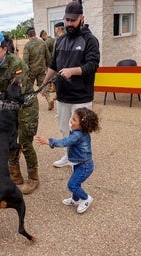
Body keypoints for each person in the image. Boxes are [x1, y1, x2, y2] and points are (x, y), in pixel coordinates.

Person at [41, 1, 100, 168]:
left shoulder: (90, 40)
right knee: (64, 128)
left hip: (81, 96)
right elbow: (53, 64)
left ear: (82, 18)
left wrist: (71, 71)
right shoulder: (60, 40)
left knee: (80, 131)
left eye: (73, 20)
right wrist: (44, 83)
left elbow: (92, 66)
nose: (69, 24)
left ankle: (80, 160)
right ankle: (68, 155)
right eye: (67, 20)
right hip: (63, 95)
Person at [0, 32, 40, 194]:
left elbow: (16, 95)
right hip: (10, 110)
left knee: (25, 143)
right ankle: (15, 177)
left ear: (4, 49)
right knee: (10, 142)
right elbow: (1, 79)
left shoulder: (17, 65)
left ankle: (34, 179)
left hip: (26, 107)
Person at [36, 107, 99, 213]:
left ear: (82, 124)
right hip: (80, 163)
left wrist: (48, 141)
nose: (71, 120)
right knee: (76, 183)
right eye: (72, 118)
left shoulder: (77, 135)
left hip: (84, 166)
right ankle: (75, 199)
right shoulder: (81, 131)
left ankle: (86, 198)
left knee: (72, 185)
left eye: (74, 119)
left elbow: (64, 142)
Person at [23, 27, 53, 111]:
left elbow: (25, 61)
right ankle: (49, 99)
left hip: (31, 71)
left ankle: (30, 104)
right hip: (41, 69)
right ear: (35, 34)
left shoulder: (27, 45)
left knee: (28, 88)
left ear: (28, 35)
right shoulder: (43, 43)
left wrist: (26, 73)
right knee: (43, 85)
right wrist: (48, 67)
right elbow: (48, 57)